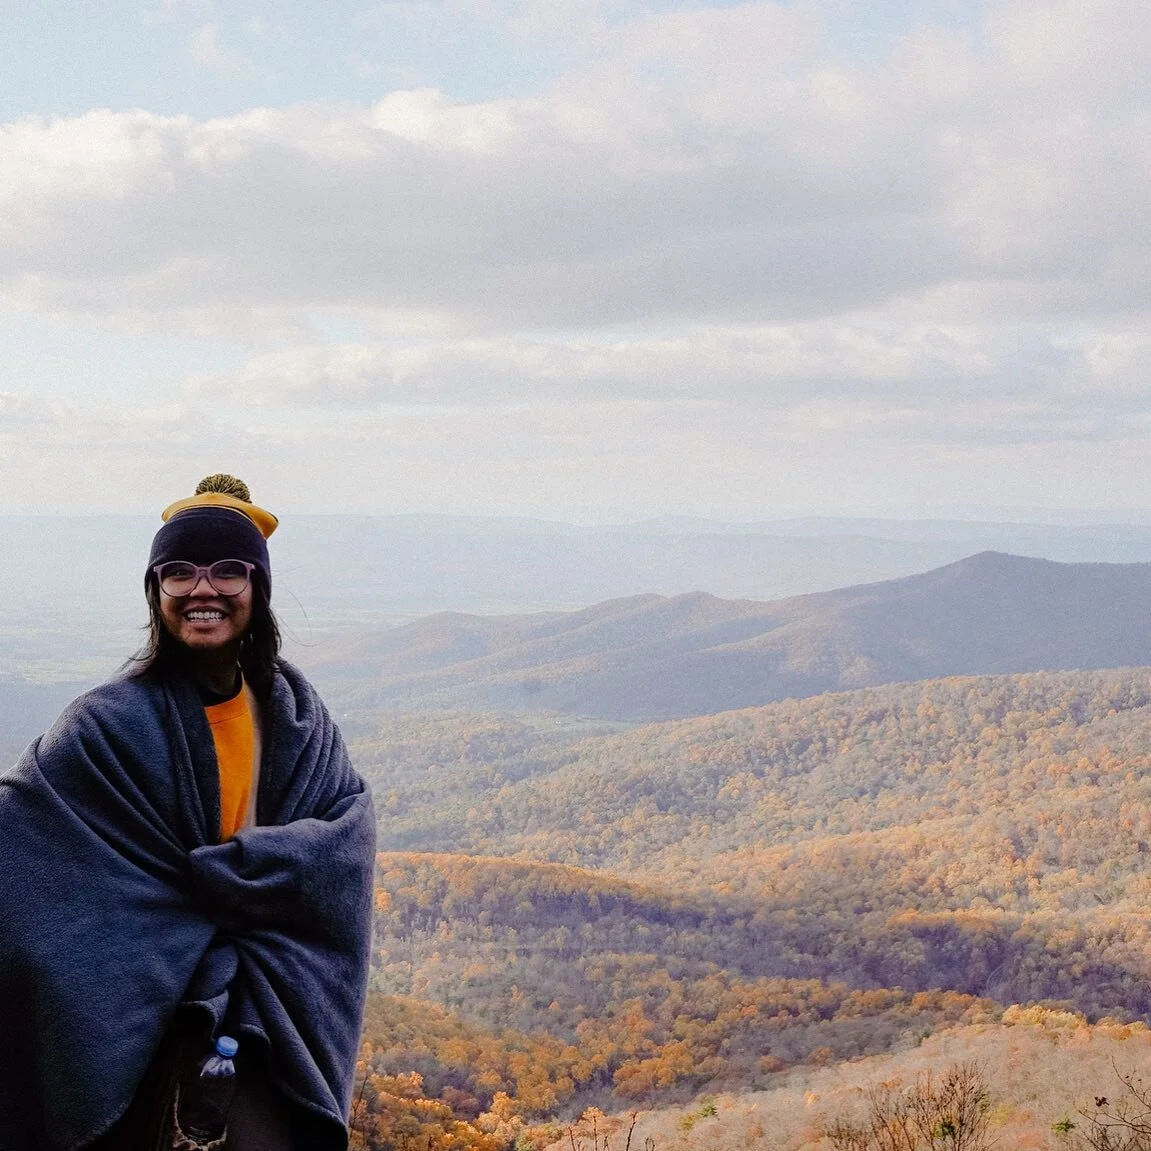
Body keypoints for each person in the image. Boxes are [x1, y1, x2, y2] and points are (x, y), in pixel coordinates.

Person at [0, 475, 377, 1151]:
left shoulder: (299, 718)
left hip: (266, 1009)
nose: (203, 589)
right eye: (178, 571)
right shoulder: (104, 727)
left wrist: (245, 871)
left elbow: (344, 837)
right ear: (156, 592)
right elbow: (22, 840)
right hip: (136, 1018)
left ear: (257, 589)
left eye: (228, 570)